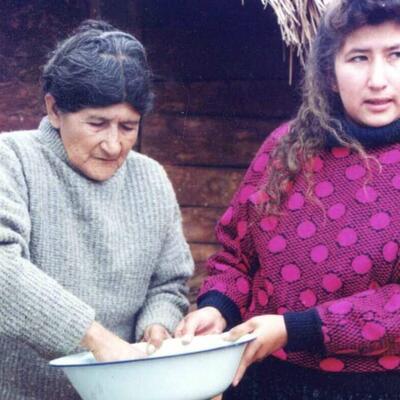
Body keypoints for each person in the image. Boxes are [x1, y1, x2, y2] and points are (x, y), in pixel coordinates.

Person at [175, 1, 400, 398]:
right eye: (359, 58)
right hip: (266, 381)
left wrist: (293, 329)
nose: (378, 80)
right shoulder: (286, 148)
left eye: (396, 55)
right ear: (330, 74)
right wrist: (217, 309)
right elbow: (235, 256)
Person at [0, 19, 194, 400]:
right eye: (97, 123)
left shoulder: (151, 179)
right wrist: (94, 339)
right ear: (55, 110)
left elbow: (169, 283)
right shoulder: (12, 159)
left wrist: (156, 326)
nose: (113, 145)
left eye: (128, 127)